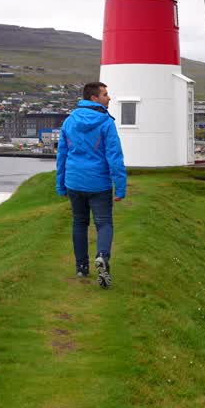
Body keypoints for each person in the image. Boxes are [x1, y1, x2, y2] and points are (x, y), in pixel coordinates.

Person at [56, 81, 127, 289]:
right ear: (93, 98)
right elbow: (114, 157)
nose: (109, 98)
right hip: (98, 183)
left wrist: (60, 184)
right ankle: (102, 256)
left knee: (79, 222)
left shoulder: (69, 121)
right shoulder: (106, 123)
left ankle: (81, 268)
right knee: (104, 223)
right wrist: (120, 187)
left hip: (74, 181)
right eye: (105, 94)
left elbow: (62, 155)